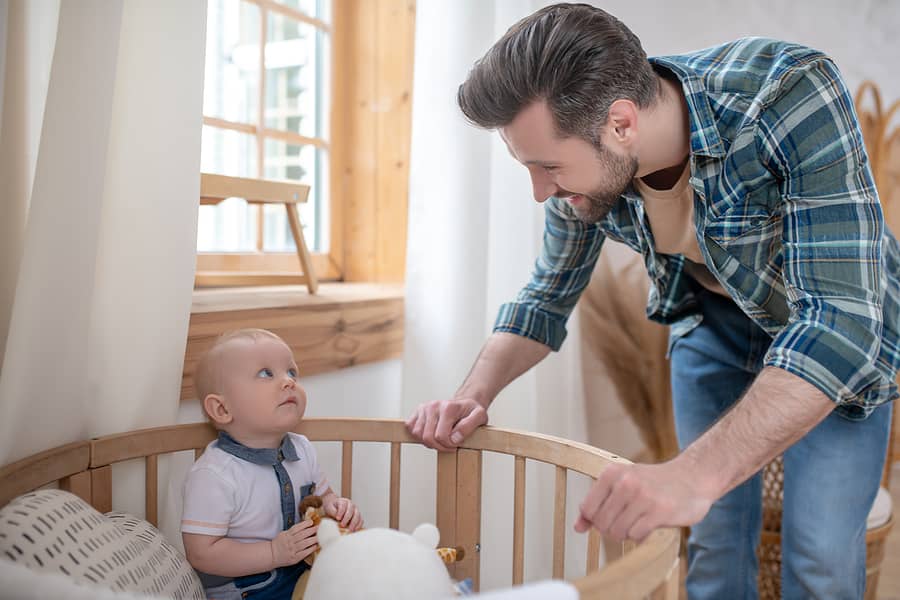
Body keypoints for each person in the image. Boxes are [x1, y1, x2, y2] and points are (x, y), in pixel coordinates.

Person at [405, 4, 900, 598]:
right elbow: (547, 295)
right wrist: (470, 396)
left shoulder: (788, 92)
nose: (541, 193)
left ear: (620, 124)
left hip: (832, 333)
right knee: (712, 547)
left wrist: (690, 475)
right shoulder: (582, 182)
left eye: (547, 167)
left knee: (819, 559)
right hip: (709, 323)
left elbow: (840, 323)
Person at [182, 328, 363, 599]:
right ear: (222, 409)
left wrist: (337, 508)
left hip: (299, 571)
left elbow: (324, 497)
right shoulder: (215, 475)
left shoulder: (302, 448)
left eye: (291, 372)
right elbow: (202, 553)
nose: (288, 382)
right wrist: (273, 553)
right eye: (266, 373)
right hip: (246, 588)